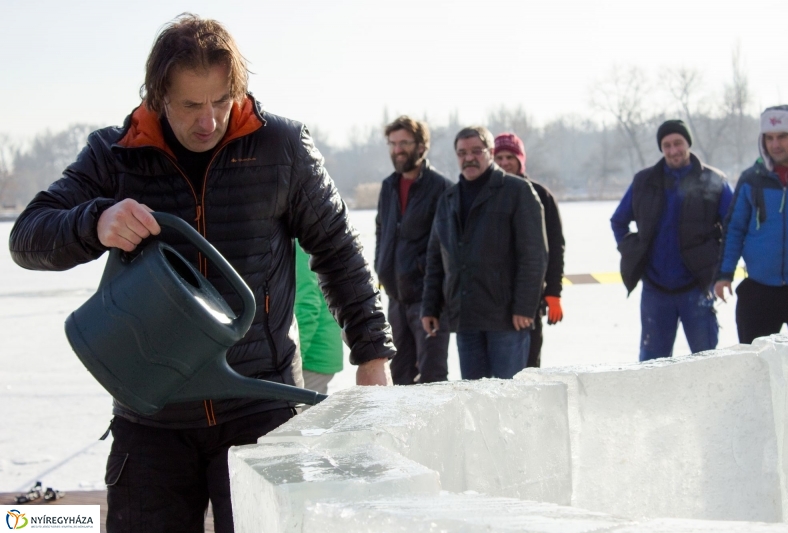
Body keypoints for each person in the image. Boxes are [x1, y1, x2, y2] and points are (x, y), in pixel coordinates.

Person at [8, 14, 393, 533]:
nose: (208, 121)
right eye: (190, 105)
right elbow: (27, 236)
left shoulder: (282, 147)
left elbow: (340, 250)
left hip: (261, 408)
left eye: (220, 101)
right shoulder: (117, 152)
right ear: (158, 96)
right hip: (152, 416)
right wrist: (94, 222)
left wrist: (372, 354)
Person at [421, 126, 547, 379]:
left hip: (507, 319)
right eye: (462, 152)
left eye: (476, 151)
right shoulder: (448, 199)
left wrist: (524, 307)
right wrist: (430, 307)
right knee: (475, 400)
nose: (469, 158)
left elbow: (534, 255)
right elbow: (436, 258)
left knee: (508, 397)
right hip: (466, 317)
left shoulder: (517, 192)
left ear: (490, 152)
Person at [610, 119, 733, 362]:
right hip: (656, 291)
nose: (673, 150)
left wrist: (718, 266)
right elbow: (618, 221)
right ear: (661, 148)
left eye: (678, 143)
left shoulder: (713, 180)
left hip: (697, 288)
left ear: (688, 143)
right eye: (666, 145)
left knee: (707, 363)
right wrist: (633, 250)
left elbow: (734, 225)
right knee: (652, 367)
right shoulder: (644, 182)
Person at [375, 116, 453, 384]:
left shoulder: (442, 189)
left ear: (421, 147)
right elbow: (381, 230)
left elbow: (445, 248)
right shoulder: (388, 187)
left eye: (404, 143)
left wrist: (433, 299)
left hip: (428, 301)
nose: (397, 149)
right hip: (396, 299)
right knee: (399, 377)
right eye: (393, 143)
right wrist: (381, 267)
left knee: (432, 378)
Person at [715, 105, 788, 343]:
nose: (775, 144)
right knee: (755, 364)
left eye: (782, 136)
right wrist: (724, 274)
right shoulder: (751, 179)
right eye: (769, 138)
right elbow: (734, 229)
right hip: (760, 288)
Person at [493, 133, 565, 367]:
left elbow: (555, 249)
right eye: (499, 157)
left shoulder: (540, 195)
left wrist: (553, 293)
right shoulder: (487, 195)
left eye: (509, 157)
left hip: (530, 300)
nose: (504, 163)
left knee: (529, 369)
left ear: (520, 159)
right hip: (492, 301)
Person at [295, 244, 343, 395]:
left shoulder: (297, 243)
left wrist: (291, 361)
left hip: (311, 354)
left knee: (298, 417)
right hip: (317, 349)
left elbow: (307, 305)